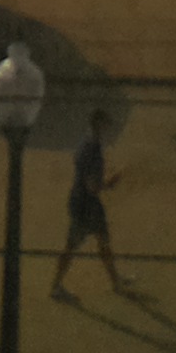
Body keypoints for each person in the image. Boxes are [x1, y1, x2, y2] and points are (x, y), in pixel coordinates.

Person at [49, 106, 131, 298]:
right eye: (106, 124)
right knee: (73, 246)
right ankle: (55, 286)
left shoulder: (85, 143)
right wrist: (109, 183)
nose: (108, 128)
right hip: (86, 205)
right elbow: (92, 186)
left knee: (102, 242)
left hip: (82, 201)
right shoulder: (93, 149)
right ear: (99, 125)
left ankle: (116, 281)